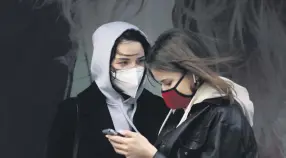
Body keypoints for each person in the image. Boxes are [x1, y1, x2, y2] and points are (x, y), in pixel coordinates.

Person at [106, 29, 258, 158]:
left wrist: (151, 154)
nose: (164, 91)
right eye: (161, 84)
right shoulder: (183, 112)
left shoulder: (224, 117)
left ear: (193, 72)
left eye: (168, 83)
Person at [45, 21, 168, 158]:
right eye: (123, 62)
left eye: (140, 61)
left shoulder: (160, 108)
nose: (134, 69)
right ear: (104, 64)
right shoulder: (73, 111)